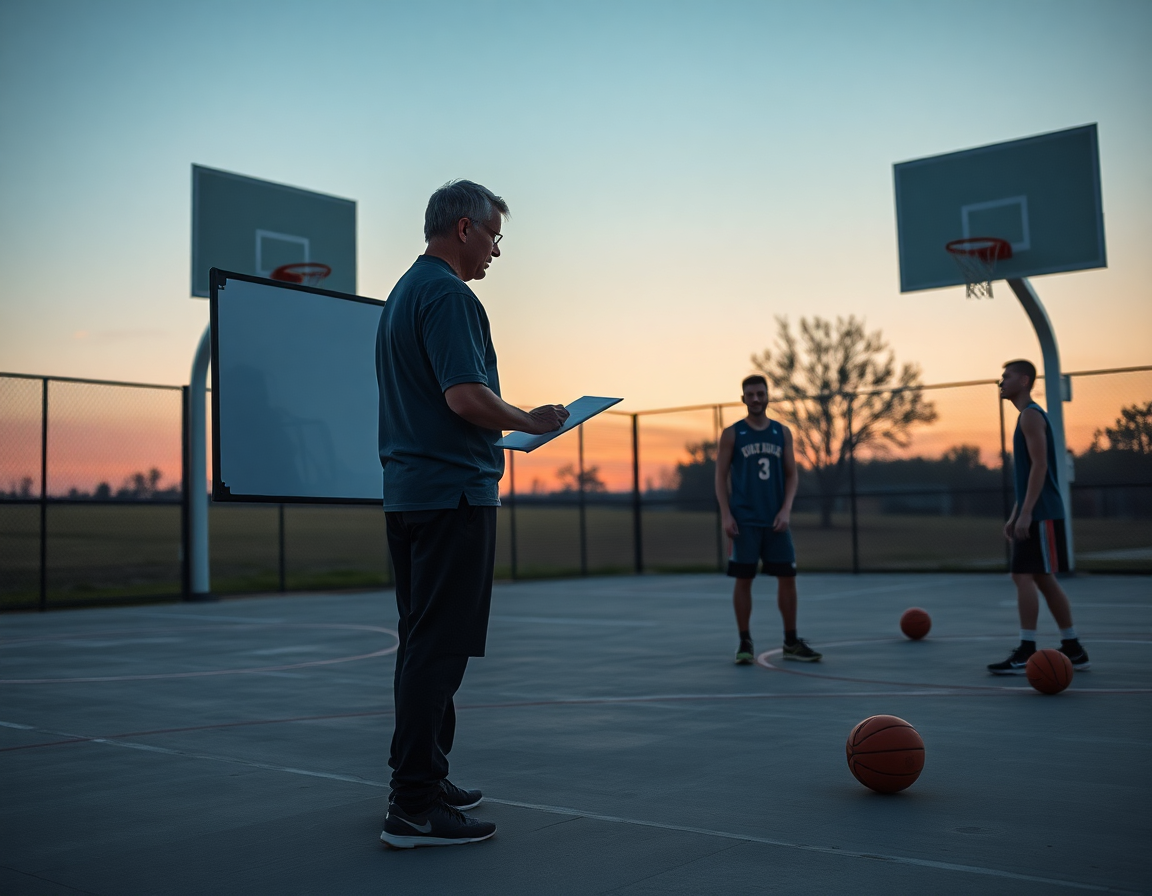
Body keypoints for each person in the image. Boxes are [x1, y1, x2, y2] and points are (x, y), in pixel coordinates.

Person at [376, 180, 569, 848]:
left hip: (410, 495)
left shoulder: (403, 292)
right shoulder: (451, 295)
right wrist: (530, 421)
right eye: (493, 236)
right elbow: (464, 398)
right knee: (438, 649)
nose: (495, 250)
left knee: (420, 643)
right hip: (452, 494)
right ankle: (413, 805)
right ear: (464, 229)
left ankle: (423, 777)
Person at [988, 359, 1090, 675]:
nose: (1000, 382)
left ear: (1024, 380)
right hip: (1037, 511)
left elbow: (1040, 466)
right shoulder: (1027, 417)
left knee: (1022, 576)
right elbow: (1029, 475)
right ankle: (1072, 647)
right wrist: (1017, 513)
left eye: (1006, 376)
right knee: (1042, 578)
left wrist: (1028, 513)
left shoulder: (1031, 416)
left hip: (1042, 513)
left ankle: (1027, 648)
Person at [714, 374, 821, 665]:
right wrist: (726, 514)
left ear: (768, 396)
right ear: (743, 399)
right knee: (743, 580)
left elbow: (792, 475)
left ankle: (791, 641)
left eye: (761, 393)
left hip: (775, 521)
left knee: (788, 578)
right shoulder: (733, 434)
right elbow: (720, 477)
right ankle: (744, 642)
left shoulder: (781, 432)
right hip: (744, 522)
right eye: (751, 394)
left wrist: (786, 509)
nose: (757, 399)